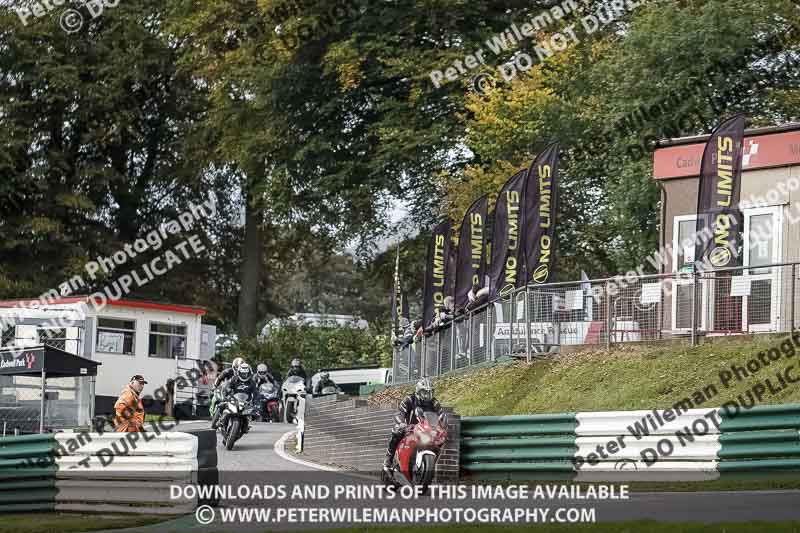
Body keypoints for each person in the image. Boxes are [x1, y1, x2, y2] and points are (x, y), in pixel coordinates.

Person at [384, 377, 442, 469]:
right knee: (396, 431)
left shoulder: (434, 403)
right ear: (418, 391)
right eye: (425, 392)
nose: (427, 396)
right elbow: (400, 412)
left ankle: (428, 466)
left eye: (430, 392)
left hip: (426, 430)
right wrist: (402, 423)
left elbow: (441, 416)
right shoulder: (410, 399)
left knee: (439, 441)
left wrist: (443, 427)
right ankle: (388, 461)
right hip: (409, 429)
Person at [216, 363, 258, 432]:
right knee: (221, 405)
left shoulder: (252, 382)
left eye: (246, 374)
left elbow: (256, 393)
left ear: (249, 373)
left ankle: (246, 425)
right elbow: (227, 385)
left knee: (253, 414)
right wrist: (226, 390)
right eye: (243, 373)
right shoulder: (234, 379)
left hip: (246, 402)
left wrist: (256, 402)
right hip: (234, 399)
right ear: (239, 373)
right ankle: (221, 420)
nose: (244, 375)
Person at [210, 356, 245, 429]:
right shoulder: (227, 371)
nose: (237, 369)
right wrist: (215, 386)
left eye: (239, 368)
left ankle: (240, 421)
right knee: (214, 397)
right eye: (236, 367)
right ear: (233, 366)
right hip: (224, 389)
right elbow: (219, 378)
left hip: (236, 393)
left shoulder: (244, 375)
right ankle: (213, 410)